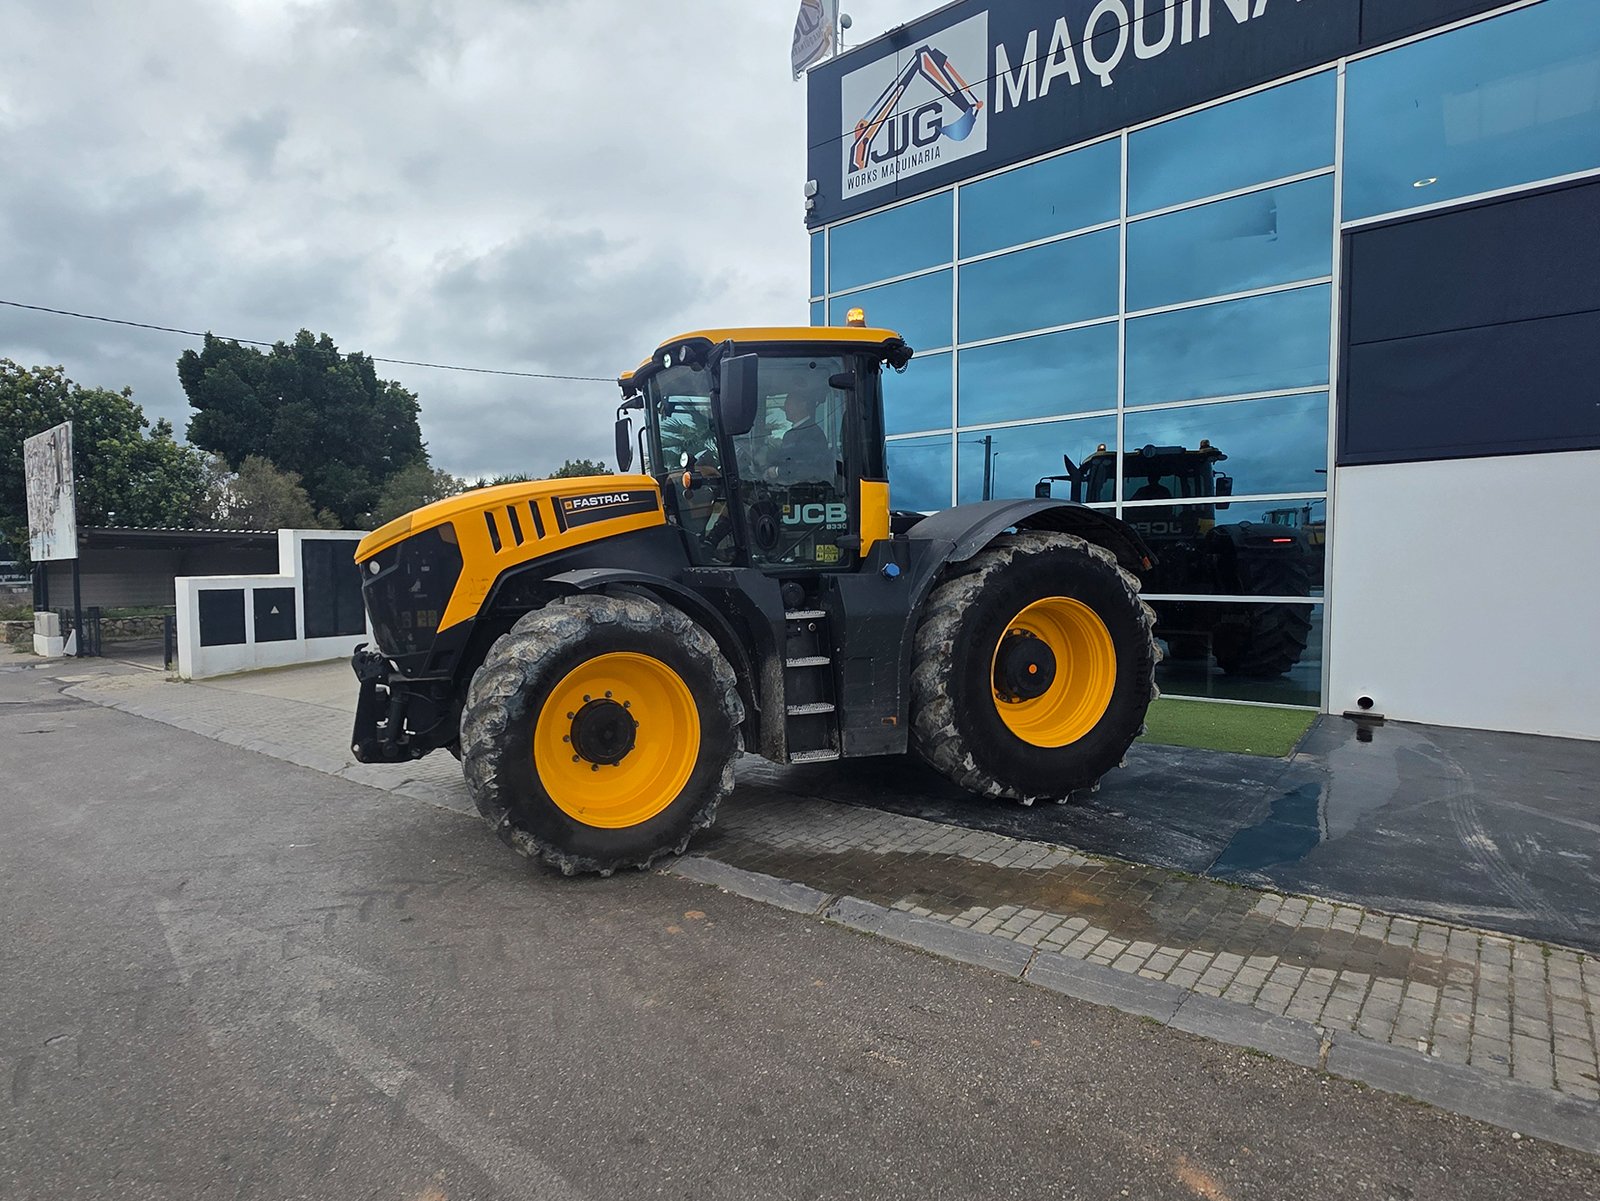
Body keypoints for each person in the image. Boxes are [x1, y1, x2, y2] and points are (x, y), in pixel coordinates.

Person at [771, 391, 837, 483]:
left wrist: (777, 471)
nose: (785, 408)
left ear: (802, 405)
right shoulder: (790, 434)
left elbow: (808, 467)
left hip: (806, 489)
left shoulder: (813, 433)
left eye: (788, 404)